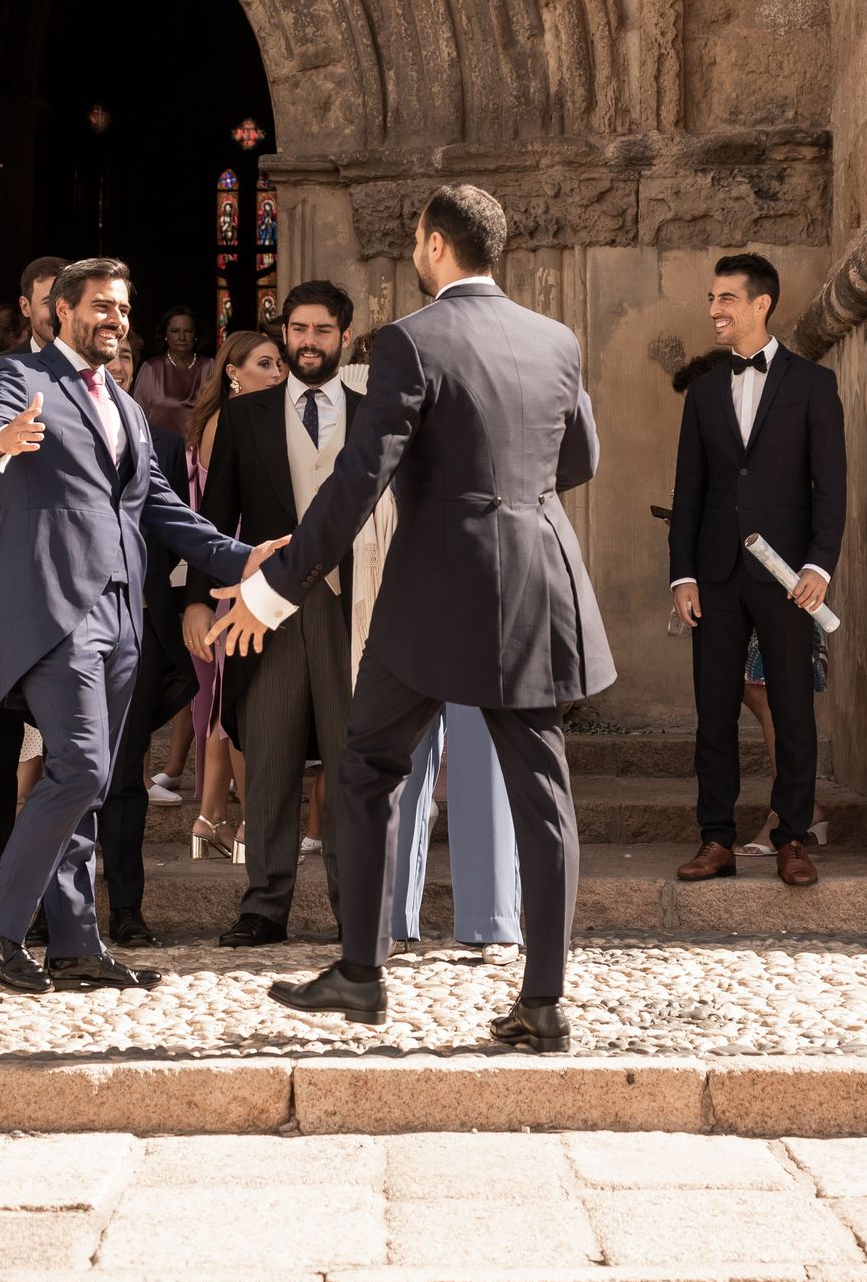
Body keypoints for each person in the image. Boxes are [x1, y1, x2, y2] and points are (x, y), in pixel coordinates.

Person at [211, 184, 613, 1052]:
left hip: (438, 588)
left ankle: (361, 975)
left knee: (364, 767)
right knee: (544, 792)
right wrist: (510, 495)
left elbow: (358, 480)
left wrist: (272, 588)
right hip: (537, 573)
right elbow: (579, 455)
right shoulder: (556, 339)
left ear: (433, 244)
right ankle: (543, 1004)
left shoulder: (410, 340)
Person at [0, 256, 277, 995]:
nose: (114, 320)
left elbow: (162, 509)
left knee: (93, 782)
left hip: (125, 617)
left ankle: (74, 946)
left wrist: (242, 557)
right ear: (60, 312)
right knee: (84, 768)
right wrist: (1, 443)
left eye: (123, 310)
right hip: (57, 611)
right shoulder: (17, 378)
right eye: (100, 306)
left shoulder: (127, 407)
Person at [188, 280, 362, 947]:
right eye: (298, 330)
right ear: (284, 335)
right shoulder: (244, 417)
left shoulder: (374, 414)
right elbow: (212, 520)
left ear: (344, 336)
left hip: (352, 609)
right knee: (268, 755)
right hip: (265, 613)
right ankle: (264, 904)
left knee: (352, 763)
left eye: (322, 330)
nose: (309, 342)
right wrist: (198, 599)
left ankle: (358, 907)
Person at [669, 252, 846, 890]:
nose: (714, 310)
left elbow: (831, 488)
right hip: (714, 575)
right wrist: (681, 575)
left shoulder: (812, 386)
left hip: (788, 576)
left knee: (793, 708)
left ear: (760, 304)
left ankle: (793, 837)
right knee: (712, 711)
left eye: (725, 299)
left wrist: (819, 565)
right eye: (712, 300)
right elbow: (690, 489)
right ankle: (715, 840)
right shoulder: (708, 391)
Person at [340, 331, 520, 956]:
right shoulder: (360, 434)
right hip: (393, 621)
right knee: (398, 767)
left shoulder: (471, 428)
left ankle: (490, 920)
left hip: (470, 610)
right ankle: (392, 920)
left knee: (481, 760)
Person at [0, 255, 66, 890]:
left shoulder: (101, 373)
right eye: (46, 298)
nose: (56, 309)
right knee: (3, 702)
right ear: (26, 306)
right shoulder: (1, 373)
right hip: (10, 555)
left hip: (78, 566)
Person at [181, 329, 287, 859]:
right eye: (265, 364)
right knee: (237, 707)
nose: (277, 373)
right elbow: (220, 511)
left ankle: (211, 816)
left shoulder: (230, 419)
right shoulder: (230, 422)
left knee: (222, 708)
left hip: (235, 571)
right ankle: (248, 824)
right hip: (238, 572)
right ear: (232, 371)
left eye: (279, 364)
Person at [97, 417, 201, 949]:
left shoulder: (159, 441)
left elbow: (176, 529)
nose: (113, 367)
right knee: (67, 775)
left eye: (123, 357)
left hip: (139, 629)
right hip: (68, 627)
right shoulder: (46, 422)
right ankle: (49, 905)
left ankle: (126, 909)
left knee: (125, 773)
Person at [132, 307, 213, 437]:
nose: (182, 337)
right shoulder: (151, 369)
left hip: (201, 449)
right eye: (175, 331)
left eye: (188, 331)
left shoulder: (209, 366)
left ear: (196, 335)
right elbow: (136, 418)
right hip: (161, 451)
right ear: (165, 335)